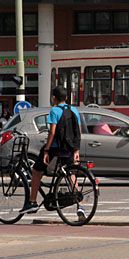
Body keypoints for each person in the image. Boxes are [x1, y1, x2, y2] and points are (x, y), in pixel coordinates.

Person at [22, 86, 84, 217]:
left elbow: (52, 132)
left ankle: (32, 202)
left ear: (54, 98)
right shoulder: (74, 110)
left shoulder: (54, 111)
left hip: (55, 148)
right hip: (70, 147)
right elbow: (77, 131)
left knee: (37, 170)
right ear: (66, 98)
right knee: (70, 173)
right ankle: (79, 205)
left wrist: (46, 150)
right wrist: (76, 149)